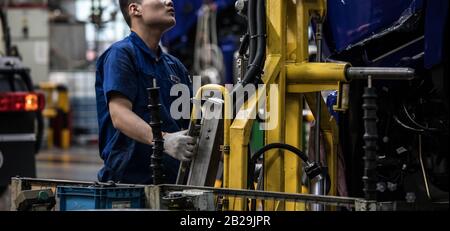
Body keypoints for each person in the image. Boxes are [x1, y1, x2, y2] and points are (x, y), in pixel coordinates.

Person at [95, 0, 196, 184]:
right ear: (135, 9)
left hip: (173, 183)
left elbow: (191, 120)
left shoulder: (175, 67)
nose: (169, 1)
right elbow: (119, 115)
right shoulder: (122, 54)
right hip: (128, 185)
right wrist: (163, 141)